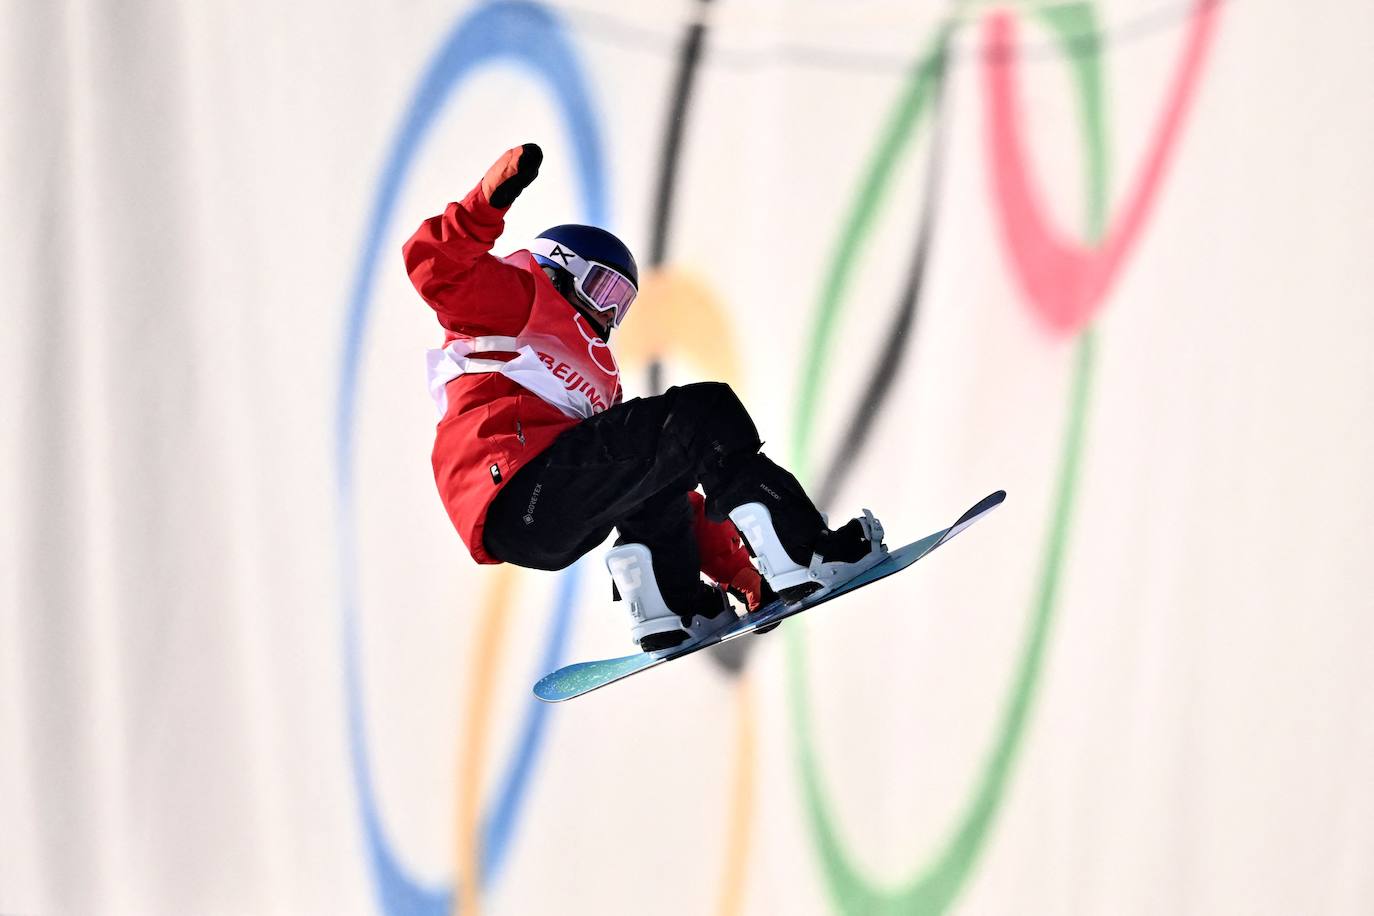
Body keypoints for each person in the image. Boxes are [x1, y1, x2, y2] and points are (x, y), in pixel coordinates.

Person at [403, 143, 886, 654]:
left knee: (660, 473)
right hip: (515, 481)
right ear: (559, 267)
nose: (608, 314)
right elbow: (434, 264)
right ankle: (807, 551)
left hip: (537, 518)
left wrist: (741, 573)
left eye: (621, 304)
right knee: (707, 411)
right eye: (603, 289)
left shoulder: (597, 380)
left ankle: (670, 607)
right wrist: (486, 202)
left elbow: (671, 472)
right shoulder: (519, 293)